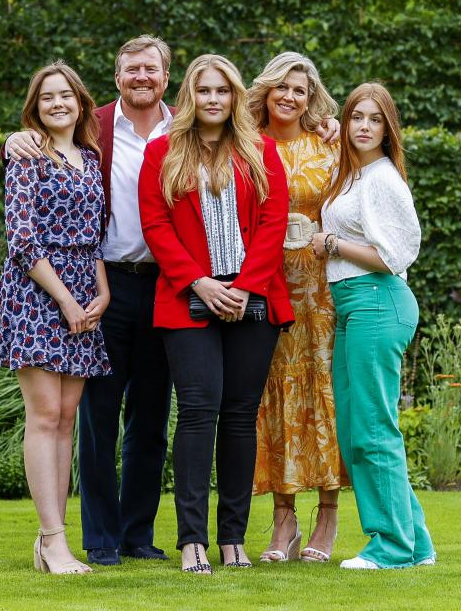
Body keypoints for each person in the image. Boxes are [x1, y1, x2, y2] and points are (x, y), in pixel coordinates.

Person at [4, 36, 175, 566]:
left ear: (166, 75)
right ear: (116, 75)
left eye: (151, 68)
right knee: (91, 416)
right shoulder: (95, 126)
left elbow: (244, 127)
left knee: (148, 415)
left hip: (161, 284)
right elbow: (30, 177)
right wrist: (14, 137)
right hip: (90, 287)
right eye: (131, 69)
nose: (141, 76)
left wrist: (321, 123)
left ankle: (136, 536)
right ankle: (96, 539)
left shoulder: (186, 124)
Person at [137, 54, 293, 573]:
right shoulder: (162, 152)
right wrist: (200, 281)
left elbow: (273, 224)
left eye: (222, 92)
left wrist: (245, 287)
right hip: (187, 298)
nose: (212, 100)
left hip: (254, 300)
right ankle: (191, 541)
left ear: (234, 98)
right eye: (203, 91)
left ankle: (232, 540)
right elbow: (155, 226)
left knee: (240, 417)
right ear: (189, 97)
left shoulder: (262, 151)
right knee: (198, 412)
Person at [0, 61, 111, 575]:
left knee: (66, 420)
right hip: (38, 293)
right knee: (44, 416)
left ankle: (53, 542)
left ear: (80, 103)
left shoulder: (90, 156)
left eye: (66, 96)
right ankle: (52, 540)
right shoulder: (27, 157)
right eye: (47, 97)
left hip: (83, 293)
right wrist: (66, 299)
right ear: (35, 108)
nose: (58, 104)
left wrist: (100, 292)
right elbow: (22, 239)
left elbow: (94, 236)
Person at [311, 82, 435, 570]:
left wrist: (332, 243)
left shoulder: (383, 179)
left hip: (377, 302)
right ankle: (416, 542)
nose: (364, 126)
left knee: (372, 428)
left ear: (388, 128)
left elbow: (394, 255)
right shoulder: (356, 174)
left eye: (374, 119)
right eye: (356, 117)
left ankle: (390, 546)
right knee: (356, 427)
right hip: (353, 306)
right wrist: (327, 131)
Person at [246, 52, 349, 563]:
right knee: (272, 392)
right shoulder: (244, 144)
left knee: (323, 388)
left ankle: (327, 516)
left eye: (300, 91)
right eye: (282, 87)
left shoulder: (328, 147)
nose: (289, 97)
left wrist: (338, 127)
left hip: (322, 291)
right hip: (265, 287)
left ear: (311, 100)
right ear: (265, 89)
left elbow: (357, 206)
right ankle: (282, 521)